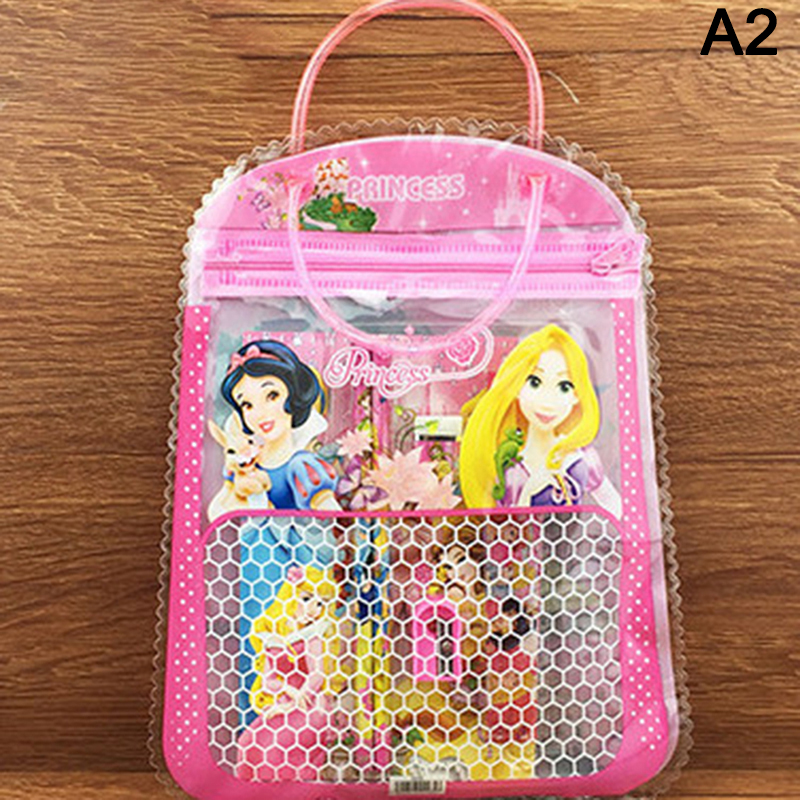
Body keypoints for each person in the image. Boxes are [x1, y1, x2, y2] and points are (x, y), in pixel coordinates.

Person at [460, 324, 622, 518]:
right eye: (534, 383)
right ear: (517, 387)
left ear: (577, 395)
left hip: (577, 536)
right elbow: (508, 525)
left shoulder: (580, 457)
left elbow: (610, 500)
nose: (547, 401)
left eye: (564, 386)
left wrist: (622, 533)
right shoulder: (513, 469)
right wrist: (529, 491)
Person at [236, 565, 337, 782]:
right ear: (291, 596)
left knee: (275, 748)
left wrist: (295, 700)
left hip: (310, 706)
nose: (314, 609)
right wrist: (287, 691)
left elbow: (317, 675)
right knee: (248, 742)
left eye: (321, 603)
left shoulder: (313, 635)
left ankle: (294, 790)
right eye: (307, 599)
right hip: (284, 701)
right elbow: (268, 680)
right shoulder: (273, 635)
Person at [219, 340, 340, 511]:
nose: (260, 413)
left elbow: (330, 515)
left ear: (293, 395)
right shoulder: (245, 466)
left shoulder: (302, 465)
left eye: (272, 395)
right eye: (247, 405)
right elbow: (217, 511)